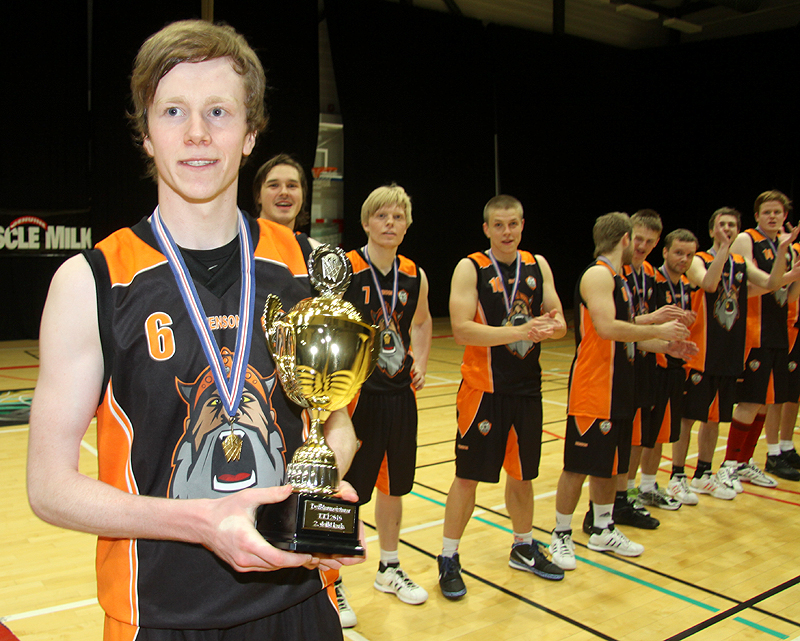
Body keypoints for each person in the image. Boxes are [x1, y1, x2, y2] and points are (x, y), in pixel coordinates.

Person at [26, 20, 363, 641]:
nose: (197, 134)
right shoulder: (92, 281)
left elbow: (337, 425)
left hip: (301, 601)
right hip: (161, 617)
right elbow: (48, 487)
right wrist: (203, 523)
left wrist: (316, 496)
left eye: (219, 111)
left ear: (250, 133)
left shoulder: (308, 269)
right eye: (173, 110)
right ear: (146, 133)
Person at [550, 213, 696, 572]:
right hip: (593, 386)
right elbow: (607, 328)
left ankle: (603, 528)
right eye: (637, 239)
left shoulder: (619, 279)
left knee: (609, 465)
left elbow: (628, 334)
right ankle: (561, 533)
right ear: (626, 239)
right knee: (578, 466)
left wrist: (668, 346)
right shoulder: (598, 274)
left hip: (618, 384)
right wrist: (657, 328)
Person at [438, 195, 567, 599]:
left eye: (513, 224)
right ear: (486, 229)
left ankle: (523, 546)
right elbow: (462, 330)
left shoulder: (538, 265)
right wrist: (523, 330)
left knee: (523, 475)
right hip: (483, 391)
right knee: (467, 477)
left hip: (527, 390)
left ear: (522, 225)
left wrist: (550, 327)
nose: (507, 232)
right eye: (499, 225)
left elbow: (561, 323)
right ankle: (448, 557)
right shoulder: (470, 267)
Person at [334, 184, 433, 627]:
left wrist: (421, 362)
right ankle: (333, 579)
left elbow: (423, 322)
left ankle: (389, 567)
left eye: (397, 217)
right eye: (381, 216)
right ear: (366, 222)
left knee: (395, 488)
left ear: (407, 225)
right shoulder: (347, 268)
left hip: (399, 396)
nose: (390, 223)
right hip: (356, 400)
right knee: (347, 491)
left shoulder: (415, 274)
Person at [675, 207, 797, 500]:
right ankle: (677, 476)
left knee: (714, 418)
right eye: (722, 225)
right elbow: (710, 284)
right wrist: (723, 250)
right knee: (688, 417)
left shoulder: (740, 264)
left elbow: (770, 284)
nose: (727, 229)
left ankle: (703, 474)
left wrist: (784, 255)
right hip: (699, 351)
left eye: (732, 225)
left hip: (728, 351)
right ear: (711, 230)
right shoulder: (698, 260)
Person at [721, 190, 800, 485]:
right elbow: (749, 285)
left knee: (766, 402)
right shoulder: (747, 239)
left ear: (785, 216)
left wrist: (797, 275)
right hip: (753, 329)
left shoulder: (786, 247)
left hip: (779, 330)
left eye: (777, 212)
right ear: (757, 215)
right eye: (767, 212)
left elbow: (789, 296)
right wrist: (787, 275)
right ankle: (729, 464)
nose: (772, 216)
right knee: (751, 400)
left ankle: (745, 461)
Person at [634, 229, 698, 509]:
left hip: (674, 362)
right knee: (642, 435)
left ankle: (648, 487)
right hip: (651, 363)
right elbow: (638, 321)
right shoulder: (652, 279)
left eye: (689, 255)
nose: (684, 259)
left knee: (660, 433)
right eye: (678, 253)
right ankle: (627, 493)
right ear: (665, 252)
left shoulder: (684, 285)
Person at [253, 153, 319, 252]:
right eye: (274, 185)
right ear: (258, 195)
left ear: (303, 196)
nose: (284, 193)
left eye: (292, 186)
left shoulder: (315, 252)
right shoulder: (241, 244)